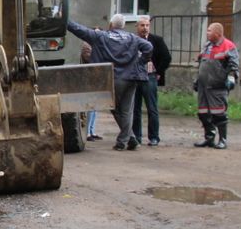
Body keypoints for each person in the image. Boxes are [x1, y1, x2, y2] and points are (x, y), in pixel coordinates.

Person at [67, 14, 152, 151]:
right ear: (123, 26)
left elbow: (78, 29)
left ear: (111, 25)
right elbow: (148, 47)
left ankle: (123, 141)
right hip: (130, 78)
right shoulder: (132, 38)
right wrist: (140, 62)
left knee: (115, 109)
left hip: (111, 77)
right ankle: (130, 139)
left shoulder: (101, 36)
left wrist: (64, 19)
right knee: (127, 110)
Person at [194, 21, 239, 149]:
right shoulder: (207, 45)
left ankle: (223, 140)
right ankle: (209, 138)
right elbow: (202, 63)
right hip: (203, 86)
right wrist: (197, 80)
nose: (207, 33)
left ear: (217, 33)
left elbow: (234, 66)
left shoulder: (228, 46)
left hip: (217, 86)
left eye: (209, 30)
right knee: (203, 113)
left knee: (219, 114)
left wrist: (231, 79)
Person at [131, 16, 172, 146]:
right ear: (137, 27)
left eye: (147, 25)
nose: (145, 28)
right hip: (134, 77)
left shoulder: (156, 40)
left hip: (150, 77)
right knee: (135, 108)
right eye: (142, 25)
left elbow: (167, 57)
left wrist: (158, 71)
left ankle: (154, 137)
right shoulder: (132, 40)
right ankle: (136, 137)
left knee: (152, 108)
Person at [80, 41, 102, 141]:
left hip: (95, 76)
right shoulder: (87, 45)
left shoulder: (95, 45)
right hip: (89, 76)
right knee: (90, 107)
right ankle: (88, 132)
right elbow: (88, 58)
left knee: (95, 107)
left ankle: (92, 131)